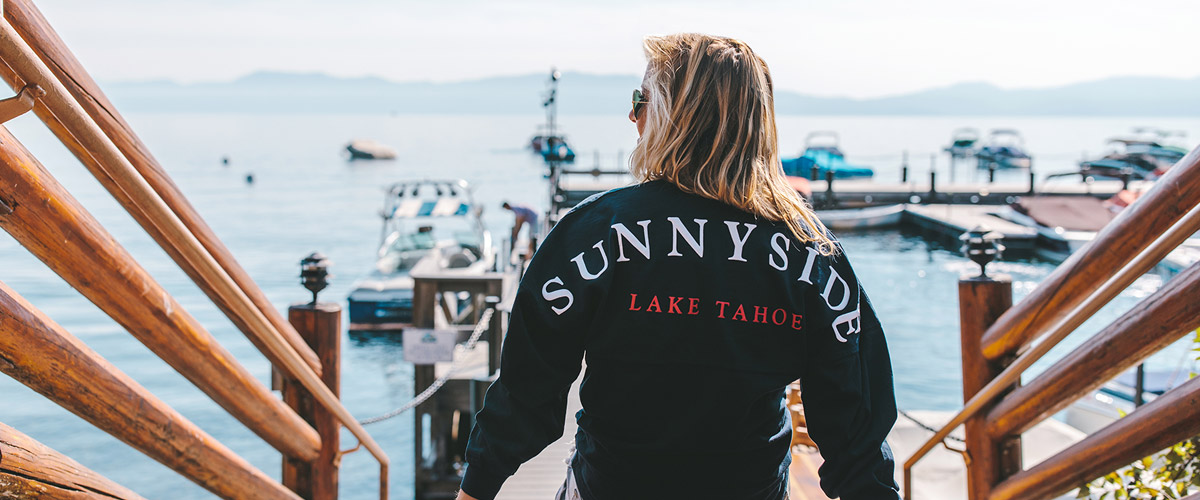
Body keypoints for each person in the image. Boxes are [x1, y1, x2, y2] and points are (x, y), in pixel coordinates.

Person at [459, 34, 899, 500]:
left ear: (678, 117)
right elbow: (855, 432)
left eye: (640, 100)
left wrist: (476, 487)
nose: (632, 116)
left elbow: (528, 394)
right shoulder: (811, 252)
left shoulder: (594, 232)